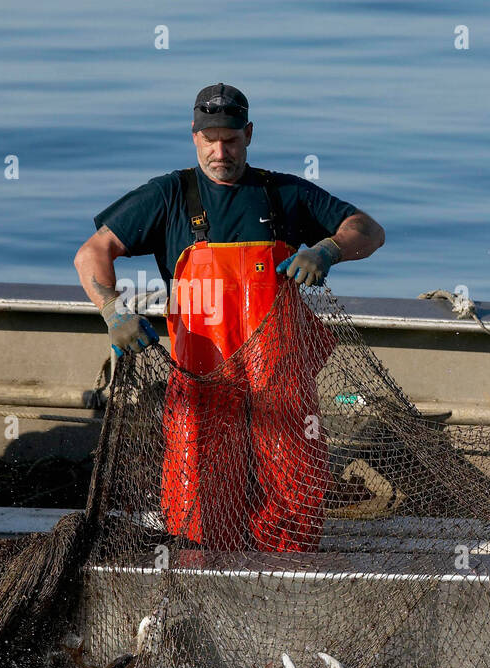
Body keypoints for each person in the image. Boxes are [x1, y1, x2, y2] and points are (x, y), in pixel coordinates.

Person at [73, 83, 384, 551]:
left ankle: (288, 589)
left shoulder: (283, 194)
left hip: (279, 385)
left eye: (232, 140)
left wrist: (328, 248)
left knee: (292, 500)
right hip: (201, 384)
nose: (221, 152)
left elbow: (369, 230)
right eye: (210, 140)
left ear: (249, 135)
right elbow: (93, 252)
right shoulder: (168, 195)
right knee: (198, 507)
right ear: (194, 136)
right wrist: (114, 310)